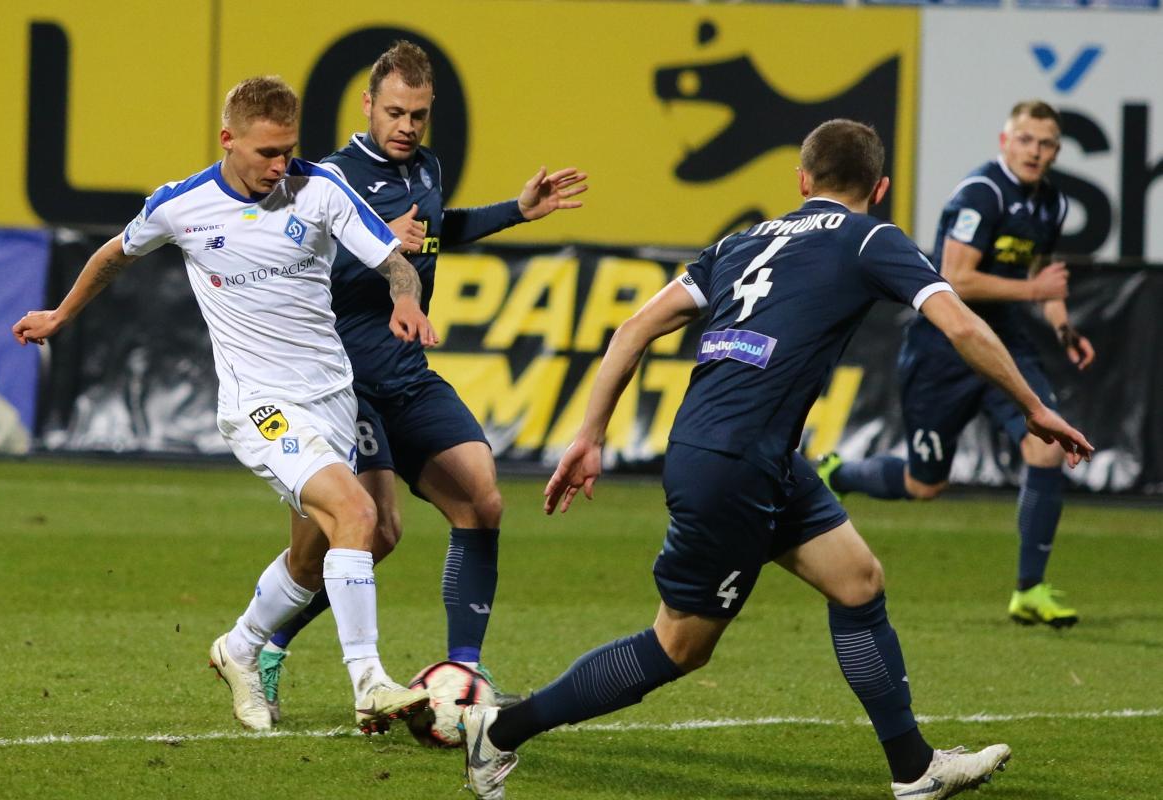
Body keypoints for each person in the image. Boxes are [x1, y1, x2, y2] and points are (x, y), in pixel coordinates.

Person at [455, 119, 1094, 800]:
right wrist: (1034, 407)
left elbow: (634, 327)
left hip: (745, 452)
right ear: (879, 188)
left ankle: (915, 770)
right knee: (679, 646)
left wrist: (589, 435)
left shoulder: (741, 241)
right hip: (734, 463)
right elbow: (960, 322)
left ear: (802, 180)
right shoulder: (870, 237)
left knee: (858, 581)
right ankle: (499, 732)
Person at [12, 76, 439, 734]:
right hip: (259, 405)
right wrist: (61, 315)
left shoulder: (320, 188)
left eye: (288, 149)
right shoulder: (182, 204)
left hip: (330, 396)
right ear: (228, 140)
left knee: (315, 557)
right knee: (358, 513)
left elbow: (395, 262)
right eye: (267, 152)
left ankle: (239, 648)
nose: (280, 165)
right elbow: (114, 255)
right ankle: (369, 682)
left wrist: (405, 298)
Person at [256, 40, 587, 720]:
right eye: (395, 112)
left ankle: (464, 676)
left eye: (419, 115)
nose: (407, 127)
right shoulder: (328, 180)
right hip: (345, 384)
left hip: (407, 374)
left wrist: (517, 210)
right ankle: (265, 646)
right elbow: (294, 264)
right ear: (367, 104)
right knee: (372, 534)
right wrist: (378, 242)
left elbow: (440, 229)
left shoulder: (427, 167)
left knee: (482, 500)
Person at [819, 100, 1093, 628]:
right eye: (1026, 140)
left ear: (1057, 151)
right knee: (925, 484)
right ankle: (839, 473)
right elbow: (955, 277)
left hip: (1003, 344)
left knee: (1045, 447)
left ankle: (1029, 589)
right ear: (1005, 141)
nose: (1035, 151)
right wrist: (1033, 291)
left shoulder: (1051, 203)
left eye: (1046, 143)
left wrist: (1063, 328)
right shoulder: (981, 194)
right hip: (943, 348)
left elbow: (1044, 274)